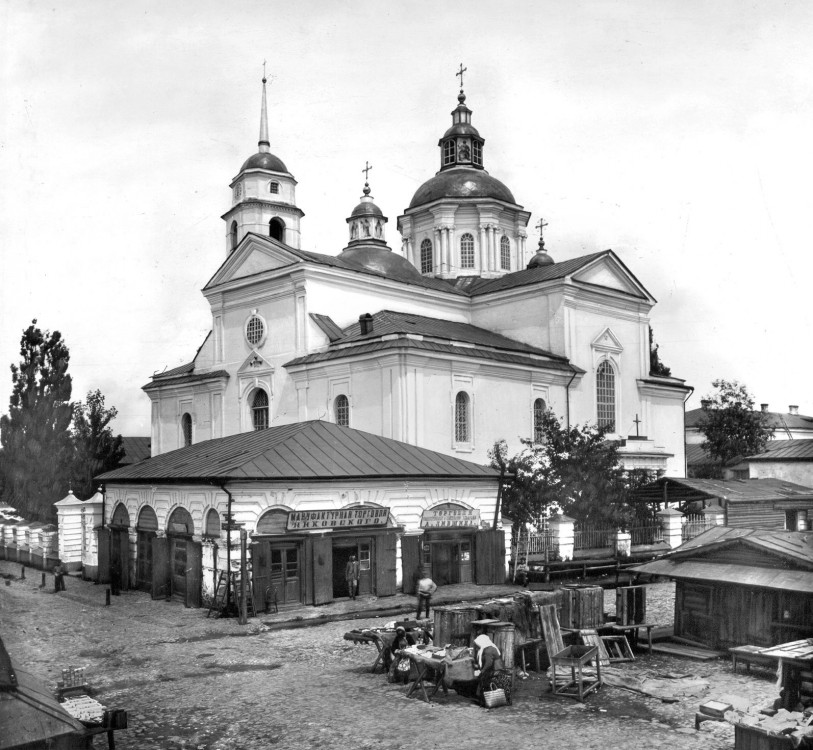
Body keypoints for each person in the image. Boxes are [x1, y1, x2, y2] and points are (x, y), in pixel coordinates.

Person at [472, 634, 512, 706]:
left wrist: (482, 671)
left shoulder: (488, 650)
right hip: (495, 668)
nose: (477, 646)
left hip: (494, 669)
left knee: (486, 682)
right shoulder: (489, 647)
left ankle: (487, 701)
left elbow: (488, 663)